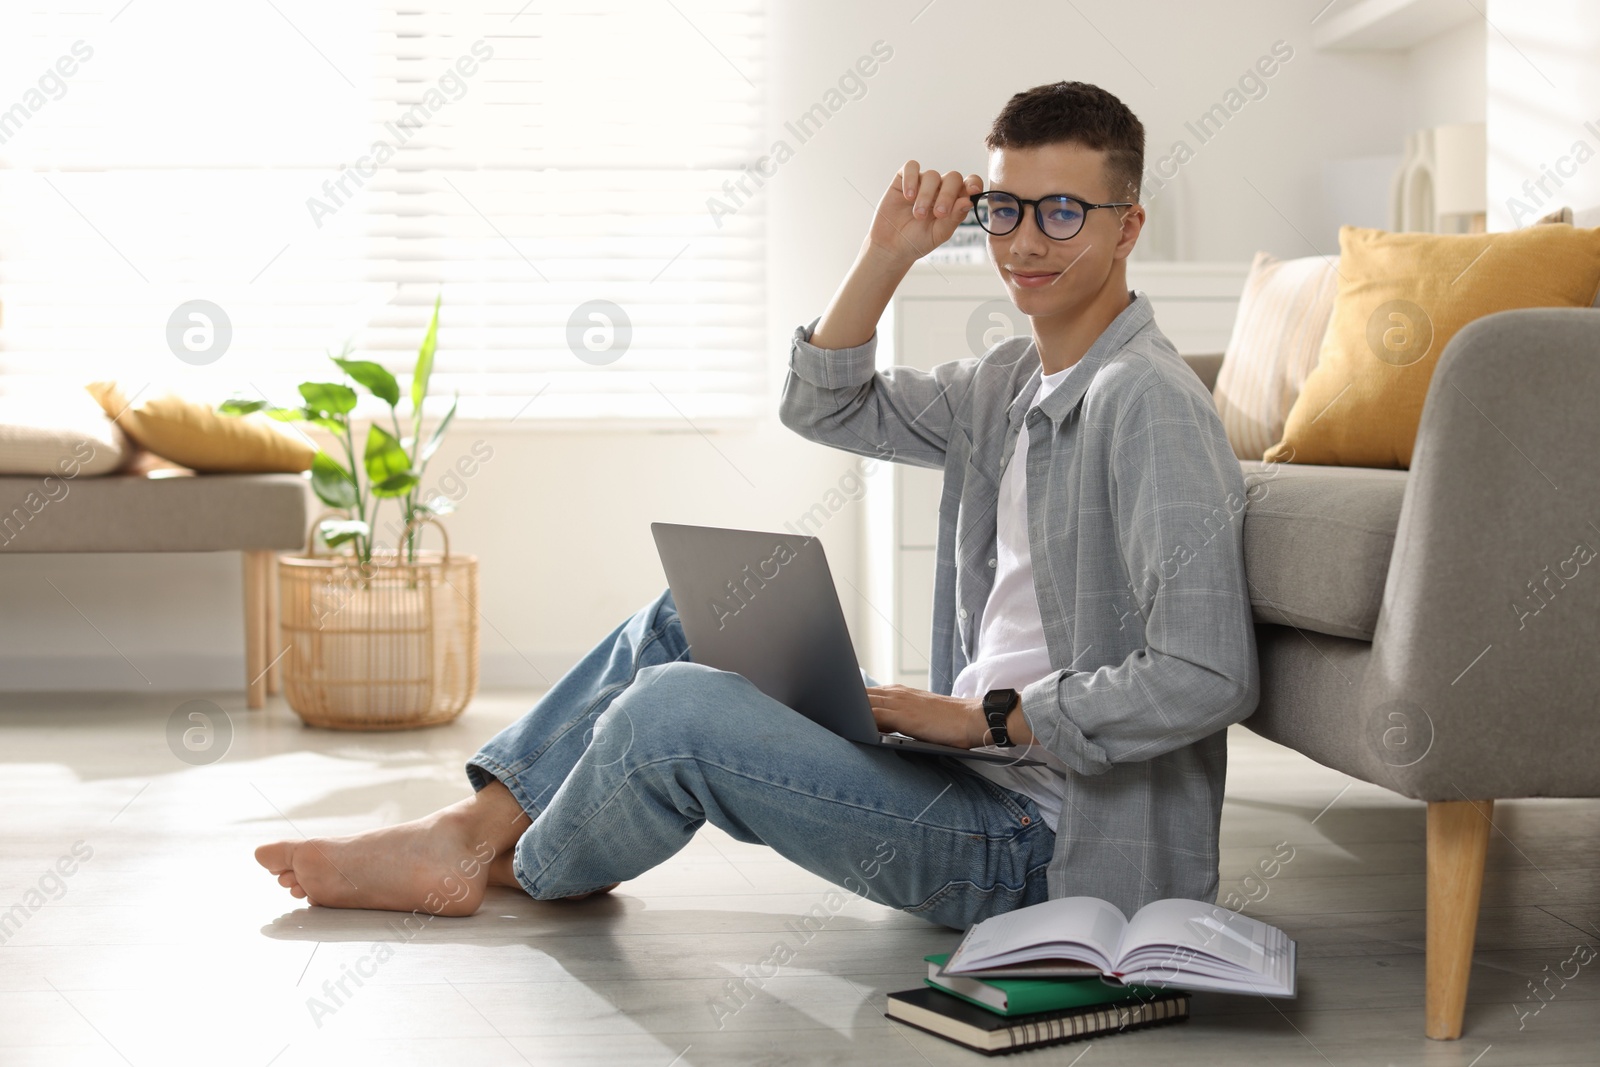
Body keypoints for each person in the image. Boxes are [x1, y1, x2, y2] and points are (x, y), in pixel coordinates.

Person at [255, 80, 1258, 930]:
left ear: (1128, 225)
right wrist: (888, 252)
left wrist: (975, 717)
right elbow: (825, 401)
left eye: (1061, 212)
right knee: (704, 607)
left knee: (674, 712)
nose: (1025, 241)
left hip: (1044, 852)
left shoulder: (1146, 404)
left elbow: (1207, 673)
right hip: (970, 781)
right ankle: (470, 832)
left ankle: (520, 860)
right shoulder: (1008, 382)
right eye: (1004, 209)